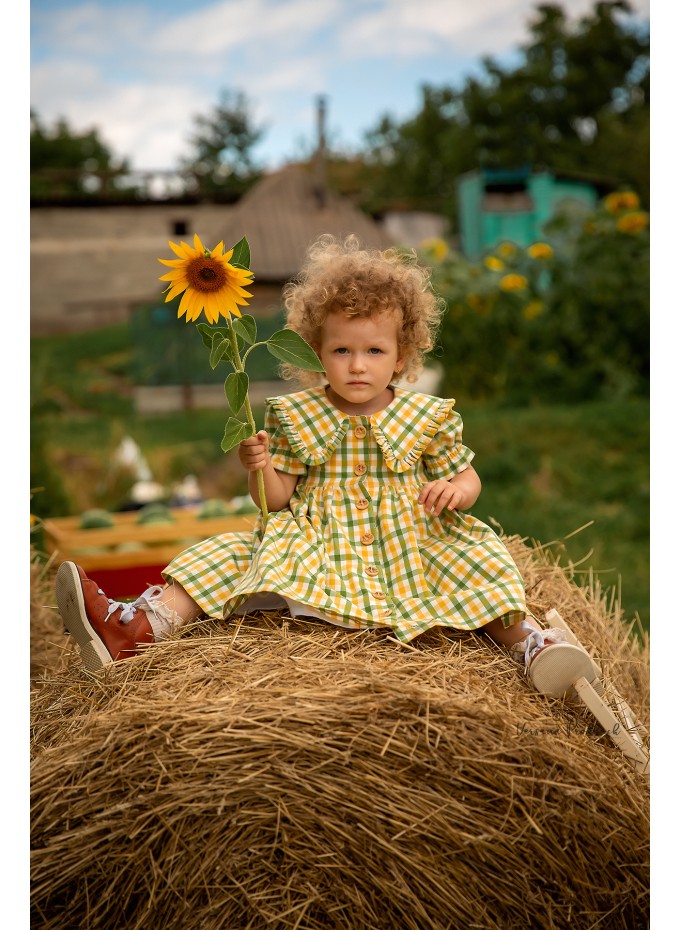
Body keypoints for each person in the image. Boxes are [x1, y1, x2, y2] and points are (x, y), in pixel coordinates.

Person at [56, 235, 599, 700]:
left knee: (479, 560)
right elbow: (276, 502)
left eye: (374, 352)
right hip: (321, 539)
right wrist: (259, 466)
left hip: (412, 541)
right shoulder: (296, 415)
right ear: (313, 350)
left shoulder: (428, 417)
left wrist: (456, 491)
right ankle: (134, 628)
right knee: (223, 553)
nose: (357, 365)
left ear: (402, 356)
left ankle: (530, 645)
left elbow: (466, 475)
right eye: (340, 350)